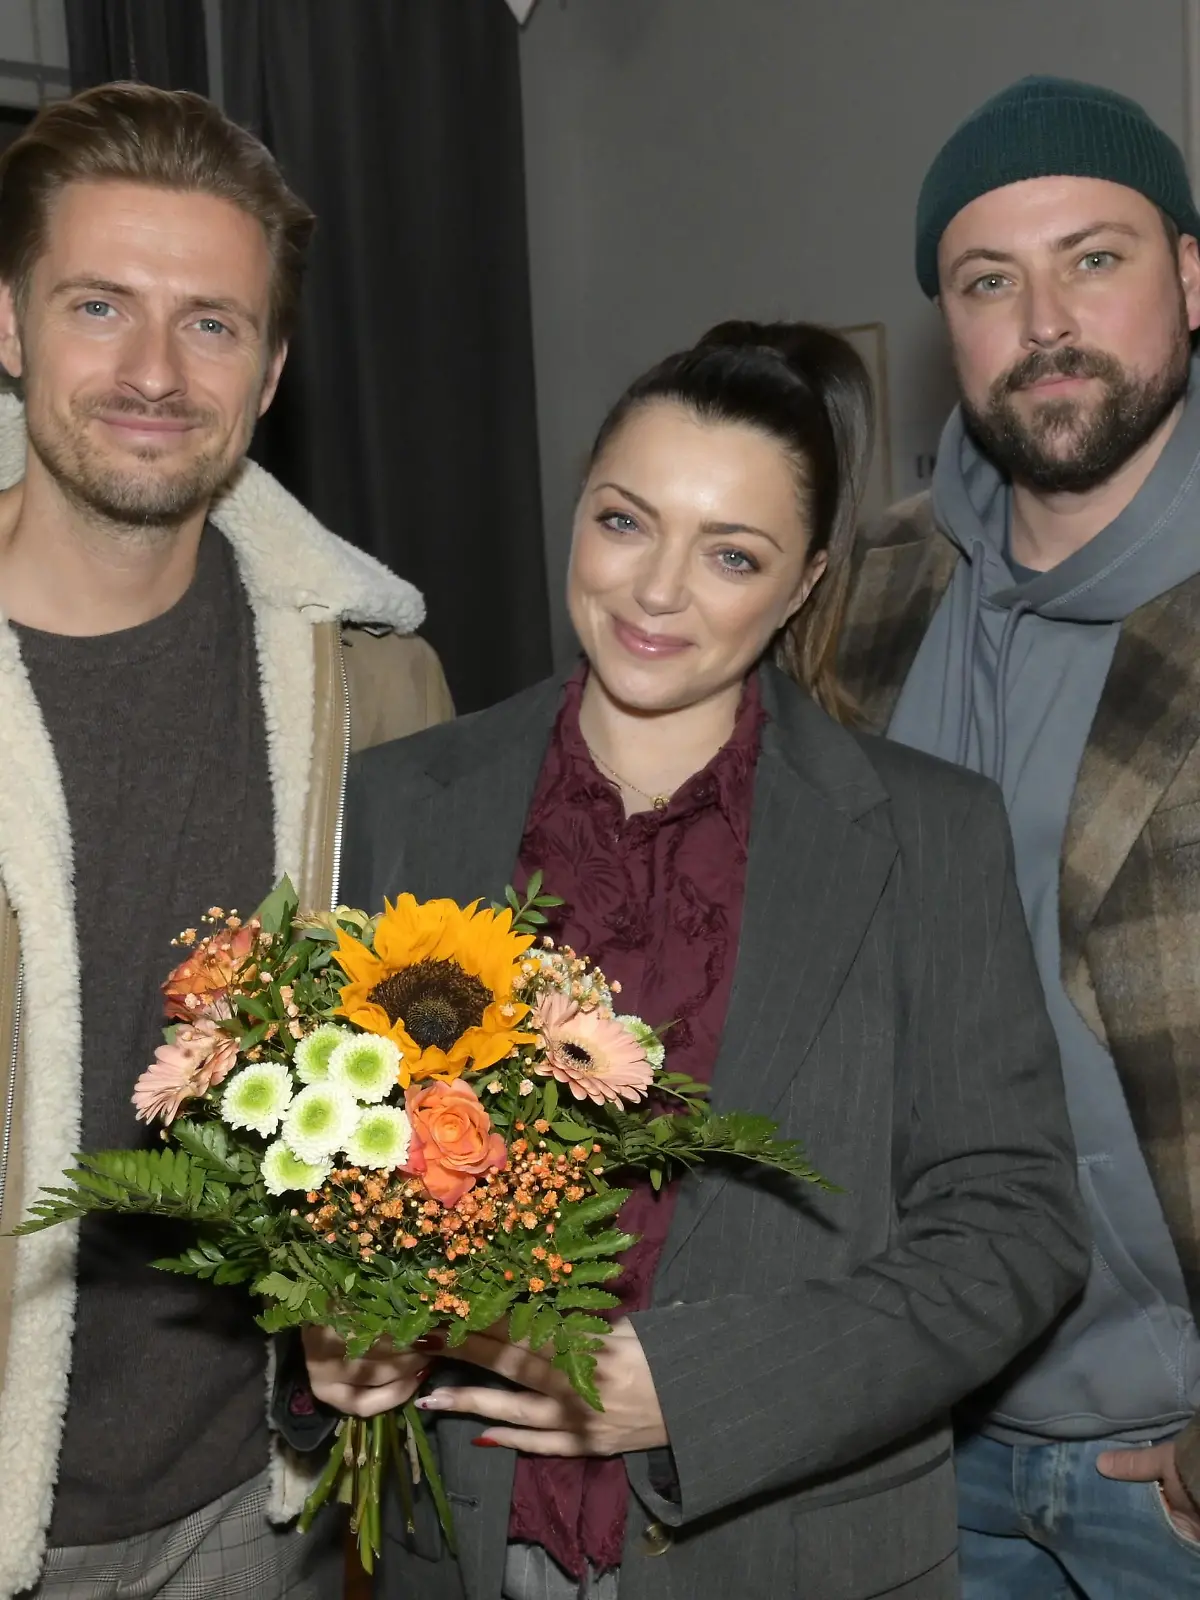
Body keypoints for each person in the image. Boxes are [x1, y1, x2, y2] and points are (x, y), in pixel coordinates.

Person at [307, 319, 1087, 1600]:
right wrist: (327, 1338)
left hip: (788, 1550)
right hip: (453, 1541)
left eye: (731, 554)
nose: (657, 591)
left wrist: (699, 1386)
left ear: (801, 585)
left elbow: (1014, 1226)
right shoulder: (402, 802)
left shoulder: (928, 834)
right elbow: (325, 1159)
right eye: (626, 521)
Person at [0, 83, 452, 1600]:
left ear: (268, 374)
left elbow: (431, 1076)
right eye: (99, 305)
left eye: (210, 324)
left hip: (258, 1512)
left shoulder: (373, 683)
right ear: (7, 326)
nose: (151, 371)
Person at [839, 73, 1200, 1599]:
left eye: (1094, 258)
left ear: (1191, 277)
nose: (1044, 317)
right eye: (991, 281)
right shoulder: (862, 595)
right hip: (916, 1435)